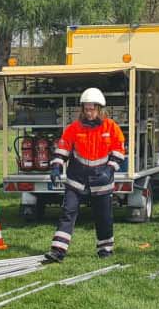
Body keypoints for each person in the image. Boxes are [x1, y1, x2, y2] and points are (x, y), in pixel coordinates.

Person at [43, 88, 126, 263]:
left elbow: (119, 151)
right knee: (68, 212)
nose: (88, 113)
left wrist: (110, 170)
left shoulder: (111, 127)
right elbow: (63, 148)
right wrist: (56, 166)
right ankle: (58, 251)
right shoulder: (74, 128)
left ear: (100, 109)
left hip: (102, 180)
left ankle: (105, 249)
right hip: (76, 179)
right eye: (86, 109)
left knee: (104, 216)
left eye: (92, 109)